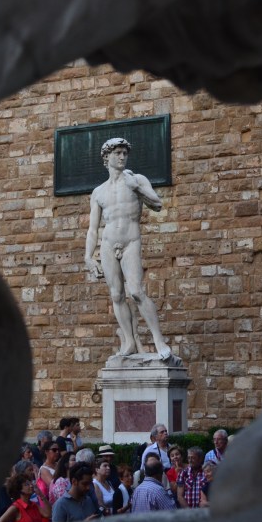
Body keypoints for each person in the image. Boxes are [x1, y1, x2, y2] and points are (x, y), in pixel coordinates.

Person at [85, 138, 172, 360]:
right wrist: (88, 256)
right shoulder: (99, 192)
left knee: (136, 291)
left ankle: (158, 339)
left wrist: (138, 189)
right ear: (107, 158)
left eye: (125, 153)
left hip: (131, 240)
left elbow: (157, 204)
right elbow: (93, 229)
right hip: (107, 243)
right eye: (118, 153)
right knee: (116, 295)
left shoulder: (137, 180)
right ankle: (130, 341)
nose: (122, 157)